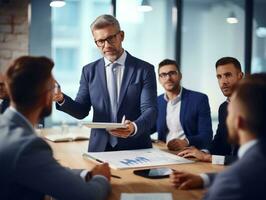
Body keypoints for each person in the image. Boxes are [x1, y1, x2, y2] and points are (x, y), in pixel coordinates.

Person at [0, 56, 111, 200]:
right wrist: (101, 177)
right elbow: (88, 196)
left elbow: (41, 168)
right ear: (47, 97)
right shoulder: (28, 146)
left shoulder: (5, 127)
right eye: (53, 87)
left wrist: (86, 174)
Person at [54, 14, 157, 152]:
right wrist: (61, 98)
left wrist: (134, 127)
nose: (106, 45)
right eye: (100, 41)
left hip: (135, 147)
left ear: (121, 36)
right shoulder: (89, 71)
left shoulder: (144, 69)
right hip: (100, 148)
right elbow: (81, 110)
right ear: (95, 42)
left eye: (111, 38)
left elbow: (150, 110)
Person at [170, 73, 266, 200]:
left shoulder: (231, 183)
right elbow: (251, 170)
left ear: (238, 121)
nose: (223, 81)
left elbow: (241, 173)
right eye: (219, 77)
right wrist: (204, 179)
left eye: (230, 111)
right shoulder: (257, 160)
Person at [178, 57, 243, 165]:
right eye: (219, 77)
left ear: (240, 76)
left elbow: (256, 158)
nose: (223, 81)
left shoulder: (255, 107)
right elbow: (219, 142)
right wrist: (202, 152)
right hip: (227, 168)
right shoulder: (223, 108)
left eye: (228, 75)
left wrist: (209, 158)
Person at [154, 59, 212, 151]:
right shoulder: (157, 101)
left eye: (172, 73)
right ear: (159, 79)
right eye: (163, 75)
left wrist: (186, 142)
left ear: (180, 76)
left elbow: (206, 135)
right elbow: (149, 127)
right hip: (164, 153)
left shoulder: (199, 99)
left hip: (189, 152)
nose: (168, 78)